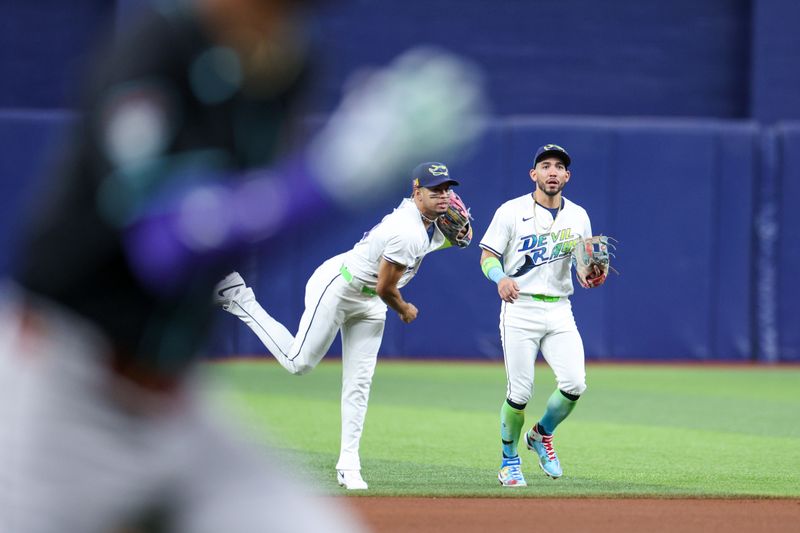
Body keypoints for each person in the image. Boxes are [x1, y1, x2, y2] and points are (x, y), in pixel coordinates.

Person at [0, 0, 486, 530]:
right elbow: (161, 244)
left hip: (173, 401)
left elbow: (247, 214)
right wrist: (329, 177)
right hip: (62, 396)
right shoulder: (156, 48)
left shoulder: (290, 67)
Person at [215, 162, 472, 490]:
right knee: (299, 363)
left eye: (447, 189)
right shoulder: (406, 230)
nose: (443, 196)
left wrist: (461, 231)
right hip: (339, 288)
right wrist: (405, 310)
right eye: (435, 189)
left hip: (370, 304)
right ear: (416, 191)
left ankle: (349, 464)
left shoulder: (430, 222)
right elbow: (386, 289)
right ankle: (238, 297)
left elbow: (461, 237)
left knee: (359, 385)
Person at [478, 144, 604, 487]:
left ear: (567, 176)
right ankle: (509, 461)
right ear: (533, 174)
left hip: (560, 309)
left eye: (559, 166)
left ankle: (540, 434)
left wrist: (589, 274)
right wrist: (499, 277)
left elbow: (584, 263)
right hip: (521, 307)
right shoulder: (510, 211)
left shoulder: (578, 215)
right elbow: (488, 255)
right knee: (520, 393)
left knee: (575, 383)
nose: (552, 171)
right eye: (545, 165)